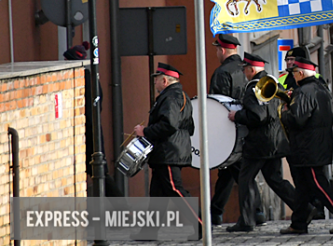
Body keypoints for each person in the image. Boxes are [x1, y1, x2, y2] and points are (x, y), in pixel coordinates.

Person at [280, 57, 333, 235]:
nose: (293, 77)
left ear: (300, 73)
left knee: (318, 184)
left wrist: (285, 113)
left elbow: (297, 120)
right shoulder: (322, 88)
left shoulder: (304, 91)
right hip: (318, 143)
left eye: (294, 73)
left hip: (308, 146)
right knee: (302, 186)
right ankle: (298, 223)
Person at [226, 53, 298, 232]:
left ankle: (247, 220)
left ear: (251, 69)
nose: (243, 72)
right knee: (275, 179)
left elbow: (258, 115)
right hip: (276, 141)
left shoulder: (253, 88)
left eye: (245, 69)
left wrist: (238, 116)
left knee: (245, 179)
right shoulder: (274, 81)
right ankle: (303, 208)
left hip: (259, 143)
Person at [64, 44, 123, 198]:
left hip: (90, 134)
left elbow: (91, 111)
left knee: (99, 173)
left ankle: (122, 207)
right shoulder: (90, 77)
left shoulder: (85, 79)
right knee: (97, 173)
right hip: (91, 132)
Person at [133, 63, 196, 200]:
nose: (154, 82)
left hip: (168, 153)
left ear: (165, 81)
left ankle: (200, 221)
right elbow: (189, 127)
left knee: (175, 191)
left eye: (156, 79)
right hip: (169, 153)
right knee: (157, 197)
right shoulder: (180, 96)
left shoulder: (171, 97)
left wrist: (145, 131)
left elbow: (169, 125)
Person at [208, 33, 248, 225]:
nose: (217, 53)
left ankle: (254, 211)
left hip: (228, 127)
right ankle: (215, 211)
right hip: (247, 124)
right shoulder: (246, 69)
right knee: (227, 170)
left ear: (222, 50)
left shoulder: (222, 72)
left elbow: (216, 104)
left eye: (217, 50)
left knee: (239, 171)